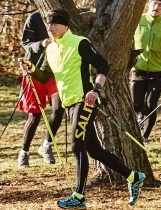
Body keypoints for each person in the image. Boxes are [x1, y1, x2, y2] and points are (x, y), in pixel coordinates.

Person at [19, 9, 145, 208]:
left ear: (65, 25)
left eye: (54, 24)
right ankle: (133, 176)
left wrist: (96, 89)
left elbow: (103, 65)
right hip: (68, 103)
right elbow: (44, 76)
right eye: (48, 24)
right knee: (93, 150)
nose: (50, 28)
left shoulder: (80, 42)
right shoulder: (50, 49)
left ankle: (78, 197)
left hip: (84, 101)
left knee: (76, 145)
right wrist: (31, 69)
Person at [17, 11, 64, 168]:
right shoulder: (34, 18)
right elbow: (26, 44)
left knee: (59, 109)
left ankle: (46, 145)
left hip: (54, 73)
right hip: (34, 71)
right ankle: (24, 153)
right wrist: (42, 43)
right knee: (35, 115)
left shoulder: (64, 15)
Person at [130, 0, 161, 143]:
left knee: (151, 104)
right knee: (135, 103)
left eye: (160, 5)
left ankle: (145, 136)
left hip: (157, 71)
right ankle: (139, 117)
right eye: (154, 3)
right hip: (138, 69)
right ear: (148, 5)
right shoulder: (137, 20)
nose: (157, 7)